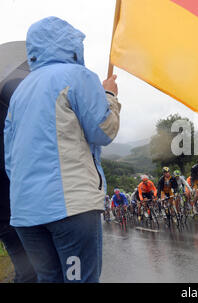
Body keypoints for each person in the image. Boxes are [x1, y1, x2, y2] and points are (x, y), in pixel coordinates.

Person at [4, 17, 121, 283]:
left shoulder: (20, 93)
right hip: (70, 209)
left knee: (49, 279)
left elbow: (11, 161)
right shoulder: (77, 76)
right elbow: (104, 131)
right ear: (71, 47)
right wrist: (110, 96)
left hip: (25, 214)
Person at [0, 46, 37, 283]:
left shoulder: (9, 107)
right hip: (11, 209)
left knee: (31, 271)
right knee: (30, 272)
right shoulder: (9, 107)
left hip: (13, 208)